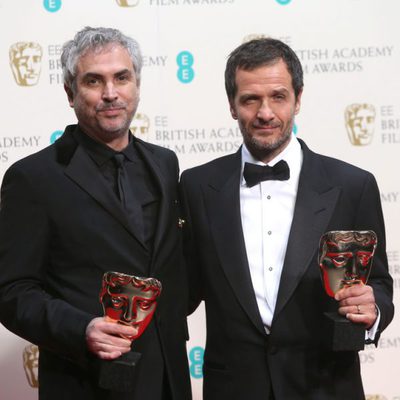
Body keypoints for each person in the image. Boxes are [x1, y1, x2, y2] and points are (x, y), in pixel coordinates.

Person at [180, 38, 394, 399]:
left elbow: (380, 283)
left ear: (298, 99)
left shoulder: (351, 185)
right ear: (232, 105)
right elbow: (183, 290)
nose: (265, 113)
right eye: (250, 99)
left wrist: (374, 310)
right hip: (233, 389)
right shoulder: (197, 186)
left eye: (278, 96)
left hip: (325, 386)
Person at [0, 27, 191, 400]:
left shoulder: (165, 164)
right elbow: (11, 291)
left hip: (169, 378)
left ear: (136, 84)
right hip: (85, 381)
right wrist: (81, 328)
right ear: (71, 93)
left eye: (122, 77)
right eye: (94, 80)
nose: (110, 93)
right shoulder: (34, 178)